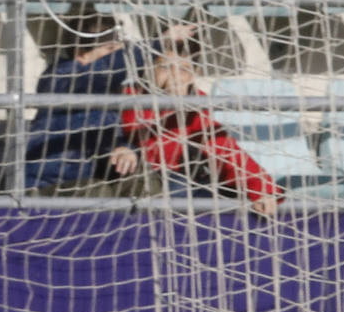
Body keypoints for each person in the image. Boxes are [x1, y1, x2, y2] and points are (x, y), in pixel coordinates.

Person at [0, 8, 192, 193]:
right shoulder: (61, 76)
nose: (121, 60)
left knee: (148, 181)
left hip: (90, 178)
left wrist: (125, 150)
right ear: (81, 52)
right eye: (111, 51)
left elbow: (104, 132)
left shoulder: (108, 89)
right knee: (96, 193)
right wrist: (158, 42)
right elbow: (105, 69)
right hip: (42, 187)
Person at [109, 52, 283, 215]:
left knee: (196, 189)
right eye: (164, 67)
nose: (174, 75)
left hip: (179, 181)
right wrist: (124, 148)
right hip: (134, 177)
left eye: (184, 69)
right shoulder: (130, 96)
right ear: (148, 70)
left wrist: (261, 189)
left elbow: (224, 150)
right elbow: (113, 133)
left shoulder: (195, 104)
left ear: (194, 74)